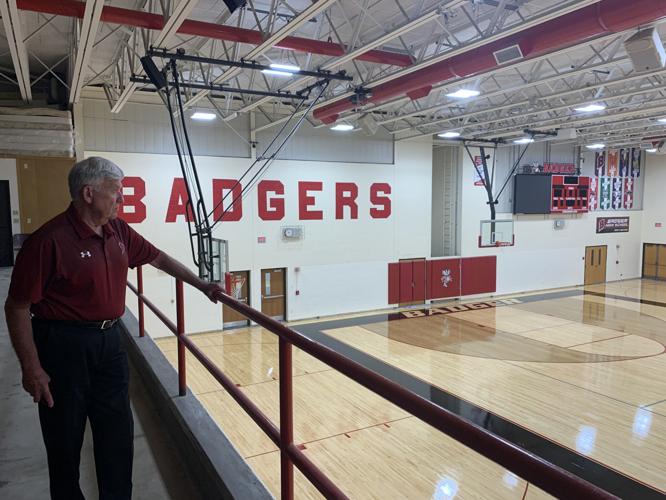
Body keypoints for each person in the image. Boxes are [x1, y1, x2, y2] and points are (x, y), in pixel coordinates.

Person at [4, 156, 225, 500]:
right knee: (65, 442)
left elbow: (159, 258)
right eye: (116, 193)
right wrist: (32, 369)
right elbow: (17, 307)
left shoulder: (118, 231)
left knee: (117, 438)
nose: (121, 200)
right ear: (88, 193)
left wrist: (202, 284)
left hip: (110, 343)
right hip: (63, 348)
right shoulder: (49, 241)